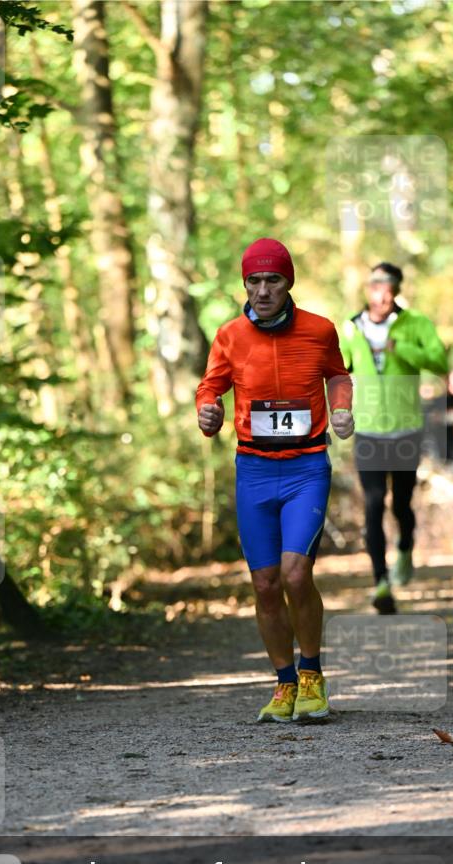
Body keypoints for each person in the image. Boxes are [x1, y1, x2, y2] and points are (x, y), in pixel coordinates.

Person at [196, 238, 353, 723]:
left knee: (295, 573)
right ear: (244, 283)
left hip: (306, 467)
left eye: (273, 280)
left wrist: (342, 409)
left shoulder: (319, 330)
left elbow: (338, 375)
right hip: (255, 469)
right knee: (264, 584)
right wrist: (207, 410)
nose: (263, 290)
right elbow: (211, 384)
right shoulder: (229, 336)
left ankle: (312, 675)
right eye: (254, 281)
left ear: (289, 283)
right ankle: (284, 683)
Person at [339, 263, 448, 614]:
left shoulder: (415, 324)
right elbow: (338, 367)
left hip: (405, 429)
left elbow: (439, 361)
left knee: (401, 503)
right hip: (369, 429)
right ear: (367, 288)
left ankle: (404, 548)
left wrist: (400, 348)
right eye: (375, 285)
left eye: (389, 287)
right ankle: (381, 582)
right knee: (373, 503)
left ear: (396, 290)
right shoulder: (352, 326)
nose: (381, 293)